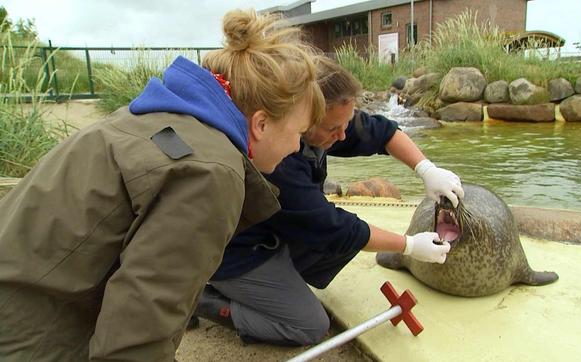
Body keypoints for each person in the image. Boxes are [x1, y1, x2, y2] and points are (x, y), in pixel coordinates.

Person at [0, 9, 324, 361]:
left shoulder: (148, 117)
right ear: (260, 123)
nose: (296, 147)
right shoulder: (211, 173)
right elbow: (135, 340)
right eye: (299, 133)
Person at [192, 56, 464, 346]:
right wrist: (409, 246)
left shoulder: (327, 121)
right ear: (306, 118)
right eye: (334, 129)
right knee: (309, 324)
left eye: (346, 123)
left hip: (273, 227)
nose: (343, 135)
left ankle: (270, 280)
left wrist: (427, 169)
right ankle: (201, 299)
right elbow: (333, 228)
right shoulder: (279, 161)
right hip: (236, 249)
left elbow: (382, 132)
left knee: (332, 244)